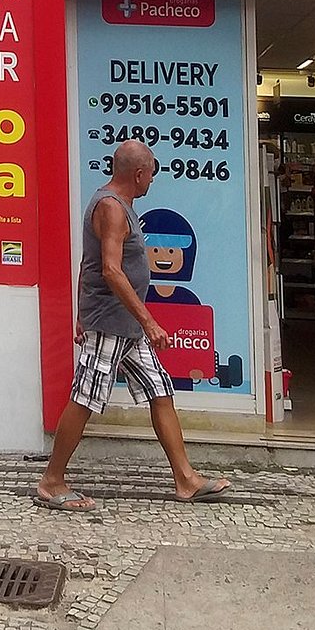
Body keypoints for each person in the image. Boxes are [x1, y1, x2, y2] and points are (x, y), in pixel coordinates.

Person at [33, 139, 230, 511]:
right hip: (112, 322)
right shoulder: (111, 208)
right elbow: (109, 270)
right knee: (84, 398)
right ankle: (52, 480)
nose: (153, 180)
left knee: (160, 391)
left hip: (124, 324)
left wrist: (81, 314)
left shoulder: (120, 205)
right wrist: (149, 321)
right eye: (151, 173)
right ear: (139, 174)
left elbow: (88, 264)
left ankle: (185, 479)